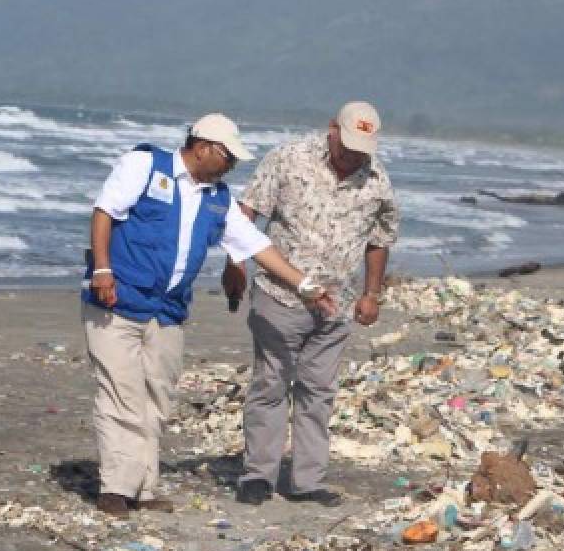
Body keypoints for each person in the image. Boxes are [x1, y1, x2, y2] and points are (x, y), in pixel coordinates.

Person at [83, 113, 333, 517]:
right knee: (121, 395)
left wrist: (305, 286)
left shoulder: (218, 199)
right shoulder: (145, 166)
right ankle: (115, 488)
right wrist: (102, 269)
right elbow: (104, 212)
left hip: (167, 310)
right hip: (118, 299)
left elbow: (256, 246)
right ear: (203, 148)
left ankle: (143, 488)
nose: (231, 166)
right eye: (227, 157)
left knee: (156, 398)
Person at [224, 101, 400, 507]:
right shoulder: (289, 158)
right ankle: (258, 475)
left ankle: (307, 481)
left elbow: (380, 239)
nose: (353, 156)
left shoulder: (377, 180)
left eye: (362, 149)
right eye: (348, 145)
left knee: (318, 392)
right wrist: (235, 263)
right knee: (270, 384)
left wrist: (372, 294)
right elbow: (246, 212)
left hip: (337, 303)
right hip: (280, 295)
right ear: (332, 129)